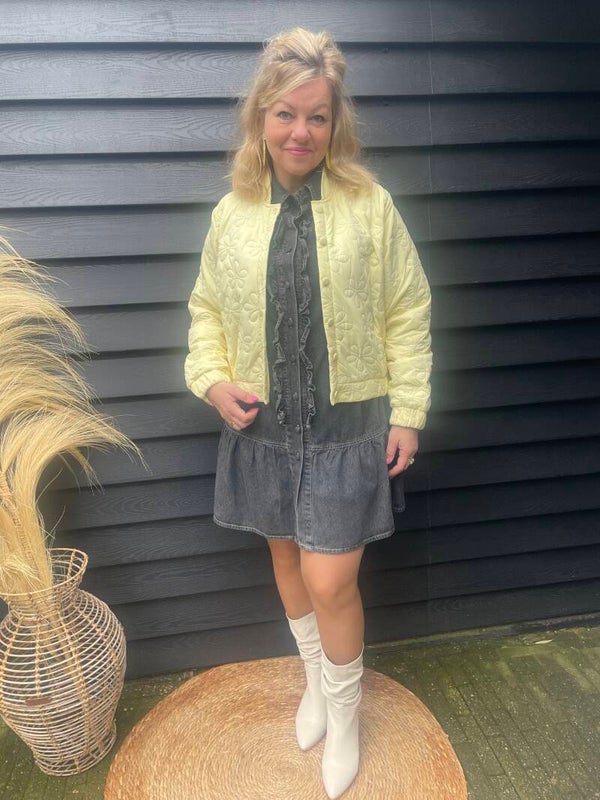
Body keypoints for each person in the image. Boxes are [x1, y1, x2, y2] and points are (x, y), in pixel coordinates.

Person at [185, 27, 432, 799]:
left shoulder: (370, 206)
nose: (301, 131)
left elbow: (408, 309)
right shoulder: (232, 213)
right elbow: (206, 310)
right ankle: (317, 685)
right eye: (286, 114)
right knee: (287, 562)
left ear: (335, 122)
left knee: (330, 581)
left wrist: (408, 411)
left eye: (317, 116)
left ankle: (346, 715)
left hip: (345, 431)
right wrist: (212, 380)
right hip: (262, 430)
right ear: (261, 117)